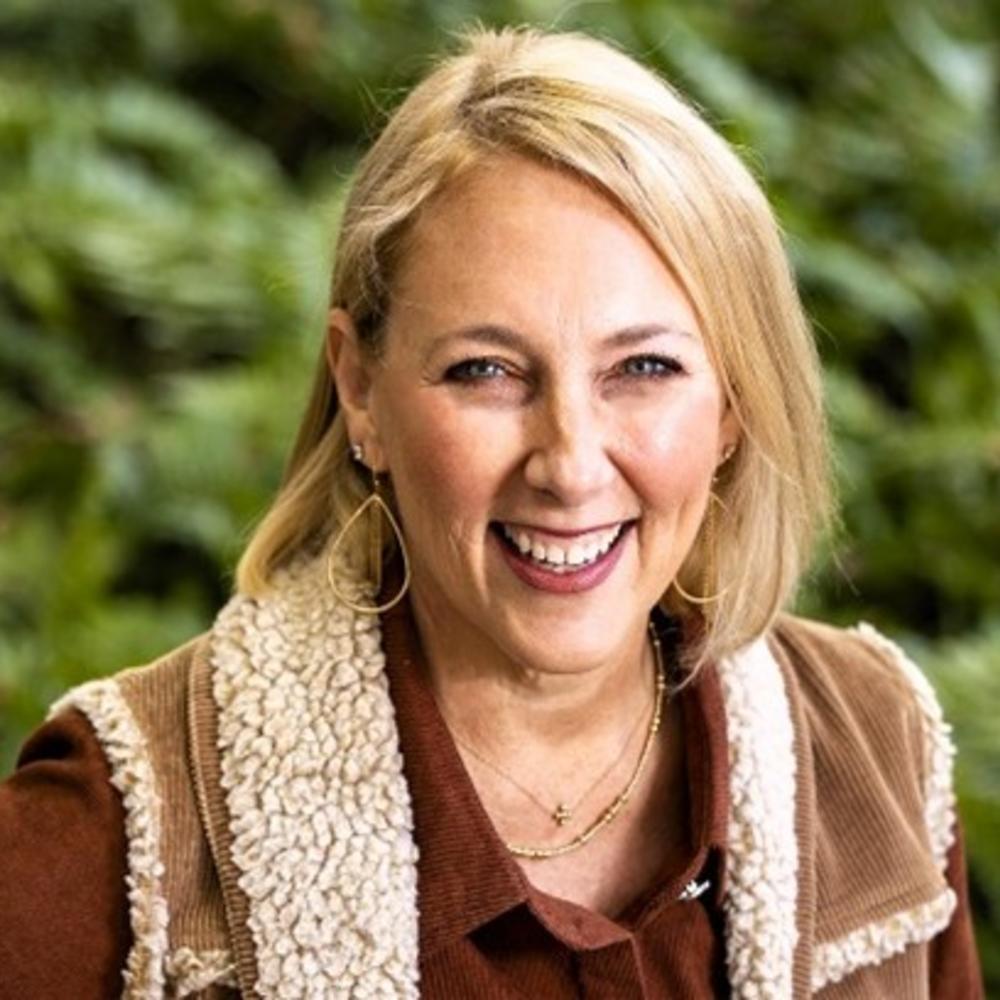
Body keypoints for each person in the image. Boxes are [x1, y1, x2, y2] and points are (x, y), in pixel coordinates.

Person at [0, 25, 984, 1000]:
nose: (569, 463)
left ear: (732, 403)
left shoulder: (869, 750)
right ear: (360, 391)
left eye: (644, 367)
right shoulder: (131, 827)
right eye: (486, 371)